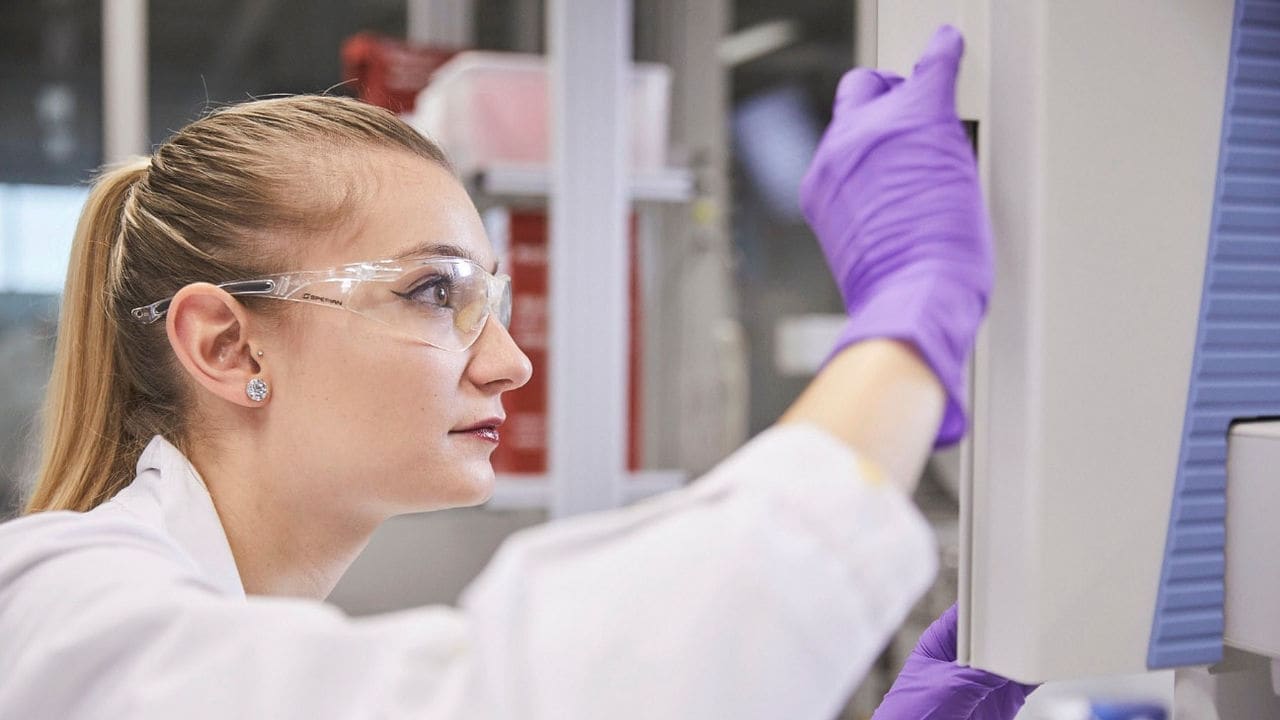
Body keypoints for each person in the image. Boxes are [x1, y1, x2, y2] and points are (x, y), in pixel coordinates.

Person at [0, 25, 1027, 719]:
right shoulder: (53, 606)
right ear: (227, 346)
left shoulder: (232, 625)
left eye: (488, 297)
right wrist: (908, 322)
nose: (510, 362)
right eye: (432, 292)